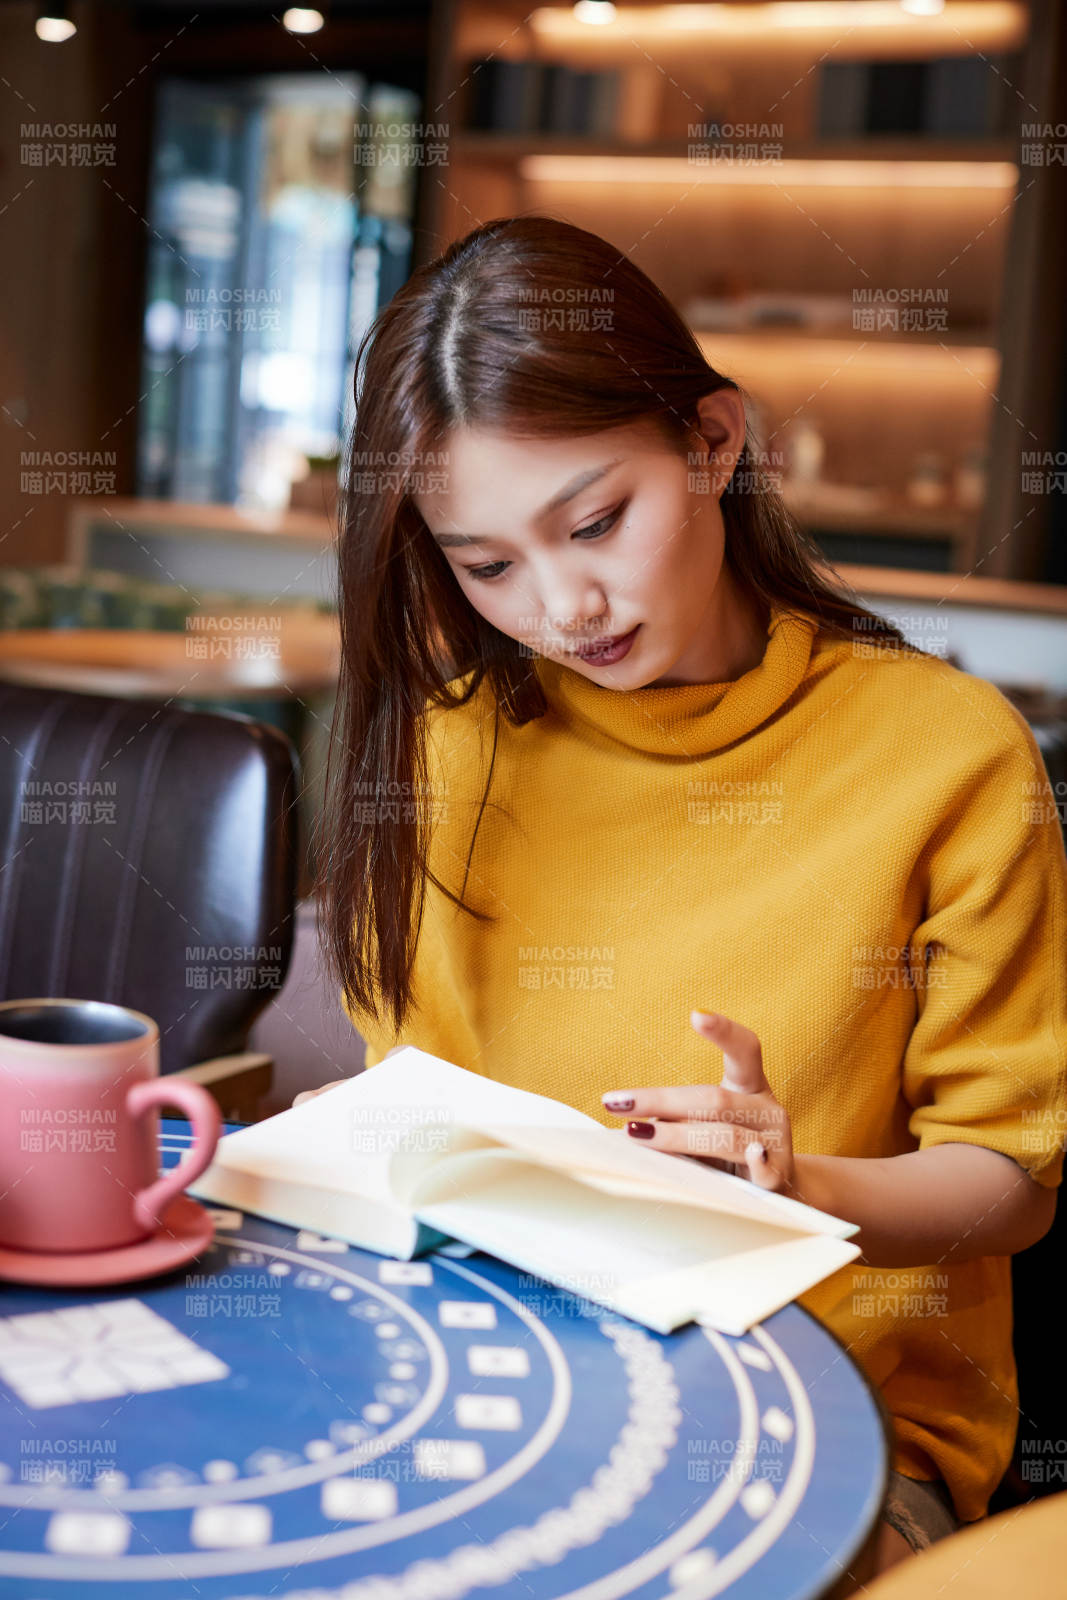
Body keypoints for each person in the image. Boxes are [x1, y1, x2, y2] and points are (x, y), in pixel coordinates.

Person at [297, 215, 1065, 1587]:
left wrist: (792, 1181)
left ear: (714, 443)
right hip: (507, 1385)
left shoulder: (946, 754)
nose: (562, 603)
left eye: (595, 521)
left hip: (839, 1420)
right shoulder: (450, 746)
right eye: (486, 563)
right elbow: (417, 1129)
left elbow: (1009, 1186)